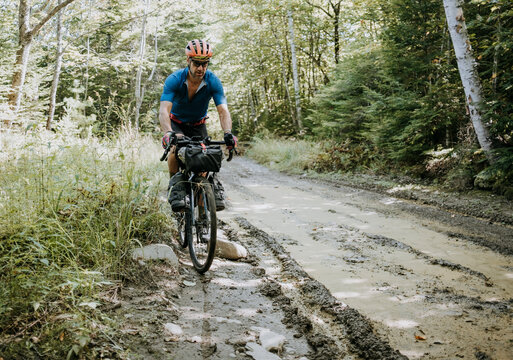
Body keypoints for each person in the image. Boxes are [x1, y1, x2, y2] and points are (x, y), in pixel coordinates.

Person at [159, 39, 237, 212]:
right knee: (174, 150)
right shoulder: (174, 80)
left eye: (204, 64)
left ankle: (202, 215)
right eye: (196, 63)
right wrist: (168, 133)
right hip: (176, 124)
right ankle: (176, 187)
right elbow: (164, 110)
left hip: (198, 125)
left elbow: (223, 111)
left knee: (204, 160)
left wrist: (228, 133)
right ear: (188, 61)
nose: (201, 68)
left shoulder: (213, 81)